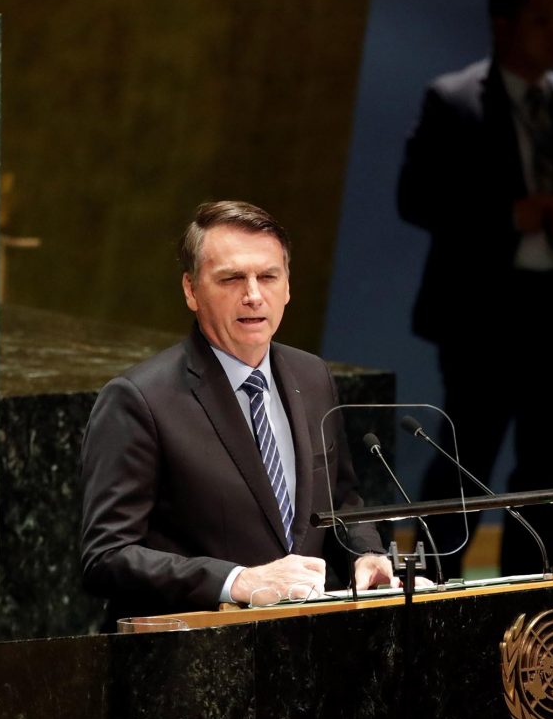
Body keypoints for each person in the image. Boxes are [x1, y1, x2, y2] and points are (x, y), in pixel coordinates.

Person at [397, 0, 553, 577]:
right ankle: (428, 594)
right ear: (502, 26)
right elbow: (415, 198)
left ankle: (526, 600)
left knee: (547, 474)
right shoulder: (452, 100)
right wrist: (510, 215)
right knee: (462, 464)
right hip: (481, 314)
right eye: (541, 20)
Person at [80, 201, 393, 620]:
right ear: (191, 290)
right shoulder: (139, 399)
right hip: (199, 659)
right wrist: (237, 581)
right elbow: (106, 557)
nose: (252, 295)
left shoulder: (313, 375)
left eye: (268, 277)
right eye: (231, 278)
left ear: (287, 287)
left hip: (311, 650)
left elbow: (339, 502)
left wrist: (366, 552)